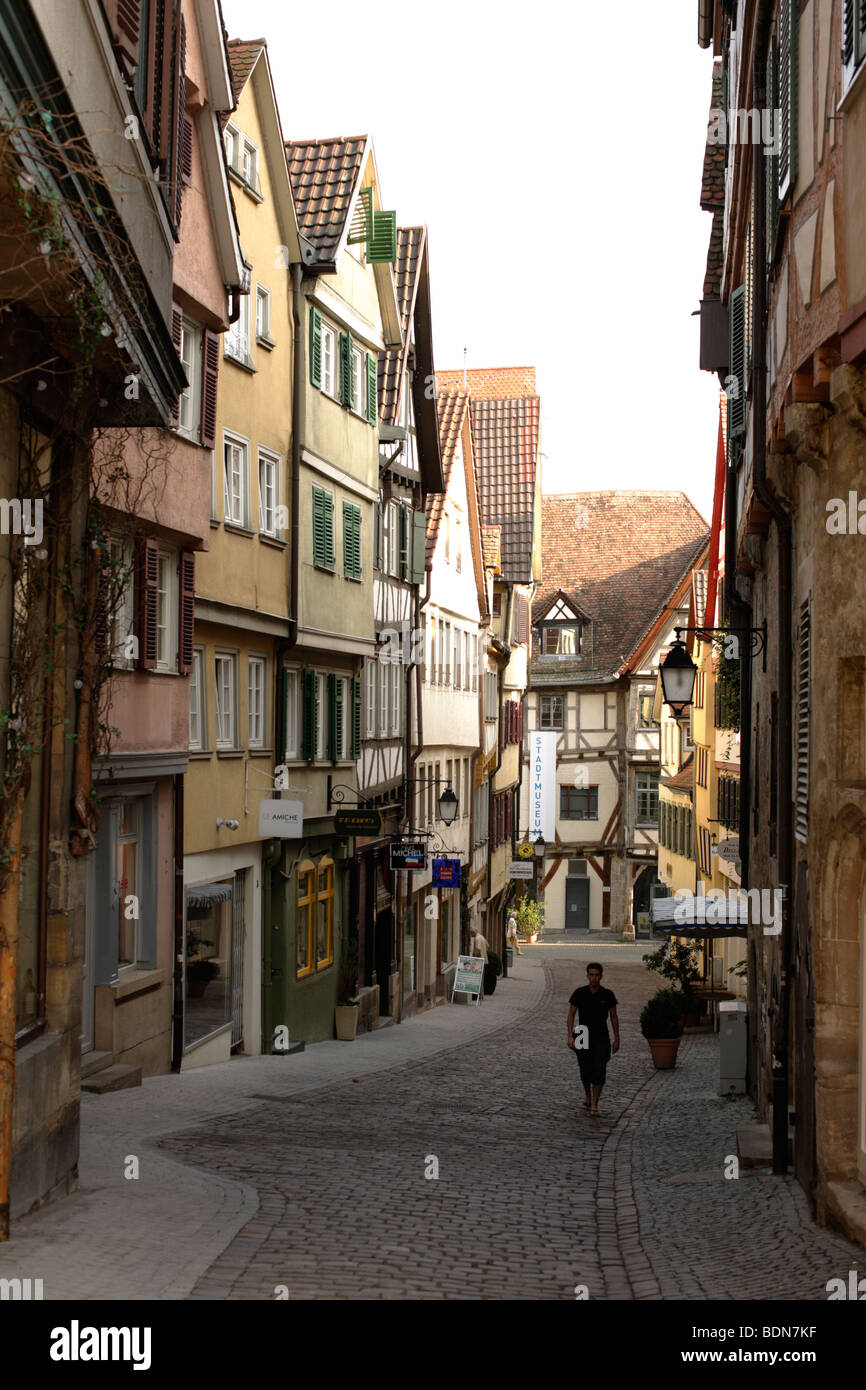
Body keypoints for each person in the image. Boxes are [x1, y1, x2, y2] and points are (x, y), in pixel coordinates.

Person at [566, 962, 619, 1116]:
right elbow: (571, 1015)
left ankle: (595, 1103)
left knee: (600, 1068)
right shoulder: (580, 993)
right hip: (583, 1033)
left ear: (601, 976)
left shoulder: (608, 995)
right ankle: (588, 1096)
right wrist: (570, 1036)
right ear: (587, 976)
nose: (594, 978)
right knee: (585, 1068)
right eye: (591, 975)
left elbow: (614, 1017)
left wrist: (617, 1038)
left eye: (597, 975)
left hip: (601, 1034)